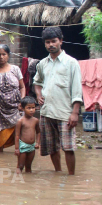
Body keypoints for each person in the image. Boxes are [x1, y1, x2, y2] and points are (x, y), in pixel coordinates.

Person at [33, 27, 83, 175]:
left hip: (65, 112)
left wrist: (75, 113)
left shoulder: (71, 63)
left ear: (61, 41)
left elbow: (77, 89)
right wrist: (38, 94)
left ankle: (71, 176)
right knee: (51, 147)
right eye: (47, 42)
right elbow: (37, 81)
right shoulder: (42, 63)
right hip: (47, 111)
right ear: (45, 44)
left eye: (54, 41)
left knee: (68, 147)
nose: (51, 45)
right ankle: (58, 172)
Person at [0, 44, 26, 152]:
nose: (1, 57)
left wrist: (22, 102)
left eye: (4, 54)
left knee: (20, 131)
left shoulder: (15, 69)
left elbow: (22, 87)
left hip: (15, 108)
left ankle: (20, 156)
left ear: (8, 55)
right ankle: (0, 162)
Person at [15, 96, 40, 174]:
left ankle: (28, 183)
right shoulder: (20, 121)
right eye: (29, 108)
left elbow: (38, 132)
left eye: (33, 107)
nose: (31, 110)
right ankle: (17, 181)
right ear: (23, 108)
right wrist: (16, 148)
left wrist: (37, 143)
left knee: (29, 167)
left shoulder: (36, 120)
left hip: (32, 146)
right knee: (20, 166)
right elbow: (17, 135)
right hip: (22, 146)